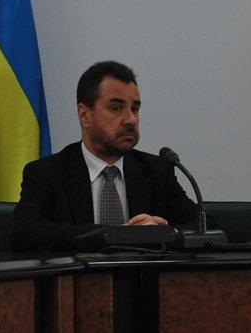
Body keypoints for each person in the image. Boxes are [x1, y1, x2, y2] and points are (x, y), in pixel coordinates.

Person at [11, 61, 200, 251]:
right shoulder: (47, 173)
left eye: (135, 109)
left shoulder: (157, 171)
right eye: (116, 108)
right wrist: (116, 235)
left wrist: (167, 233)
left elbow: (205, 226)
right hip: (79, 271)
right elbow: (24, 233)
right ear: (84, 115)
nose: (131, 119)